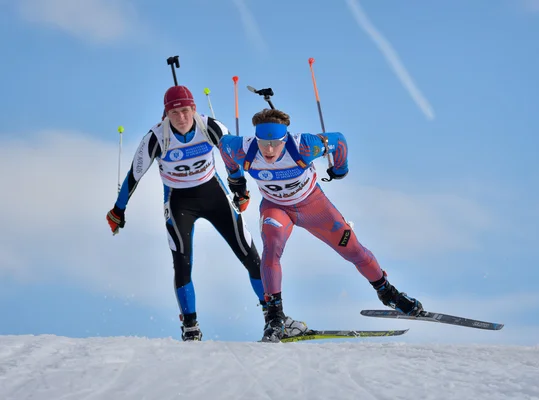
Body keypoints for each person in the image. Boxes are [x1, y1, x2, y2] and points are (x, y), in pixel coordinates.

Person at [106, 86, 308, 341]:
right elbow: (134, 175)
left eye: (186, 110)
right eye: (175, 112)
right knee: (182, 262)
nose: (181, 117)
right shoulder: (156, 137)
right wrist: (118, 210)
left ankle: (274, 319)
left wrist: (240, 190)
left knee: (250, 255)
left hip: (213, 194)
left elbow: (234, 155)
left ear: (194, 109)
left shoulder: (209, 126)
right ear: (166, 113)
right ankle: (190, 326)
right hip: (179, 201)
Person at [218, 108, 423, 342]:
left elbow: (339, 141)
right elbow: (224, 147)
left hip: (314, 207)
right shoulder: (241, 148)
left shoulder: (305, 145)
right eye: (264, 143)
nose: (270, 150)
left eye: (276, 143)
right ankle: (275, 317)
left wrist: (340, 168)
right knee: (271, 247)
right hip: (277, 208)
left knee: (353, 250)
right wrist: (236, 182)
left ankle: (388, 293)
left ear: (285, 139)